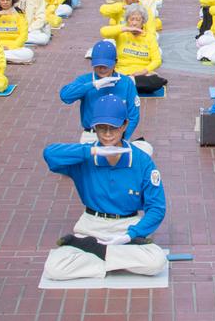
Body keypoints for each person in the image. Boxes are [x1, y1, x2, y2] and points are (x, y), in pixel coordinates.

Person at [42, 95, 168, 281]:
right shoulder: (85, 156)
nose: (107, 134)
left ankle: (98, 253)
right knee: (54, 269)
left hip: (126, 225)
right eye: (102, 128)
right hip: (91, 225)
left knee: (156, 262)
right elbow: (50, 154)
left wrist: (131, 234)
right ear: (95, 128)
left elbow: (157, 208)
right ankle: (116, 258)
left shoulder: (142, 160)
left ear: (124, 125)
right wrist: (90, 151)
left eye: (113, 128)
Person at [59, 40, 150, 151]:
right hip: (91, 135)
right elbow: (65, 96)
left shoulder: (126, 82)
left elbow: (133, 115)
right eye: (98, 65)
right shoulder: (85, 80)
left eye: (106, 65)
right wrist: (92, 85)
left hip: (119, 136)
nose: (102, 69)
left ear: (115, 62)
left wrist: (123, 138)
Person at [100, 4, 167, 95]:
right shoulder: (122, 34)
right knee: (112, 77)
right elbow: (103, 31)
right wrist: (124, 28)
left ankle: (126, 85)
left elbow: (157, 61)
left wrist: (143, 71)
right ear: (127, 20)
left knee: (156, 81)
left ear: (143, 22)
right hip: (123, 72)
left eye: (138, 20)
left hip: (142, 75)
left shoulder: (150, 37)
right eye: (131, 19)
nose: (134, 23)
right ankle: (131, 84)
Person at [0, 0, 35, 64]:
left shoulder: (19, 13)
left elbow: (23, 35)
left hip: (13, 48)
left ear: (12, 0)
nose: (5, 2)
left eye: (8, 0)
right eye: (2, 0)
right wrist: (0, 13)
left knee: (28, 53)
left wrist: (10, 47)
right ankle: (3, 57)